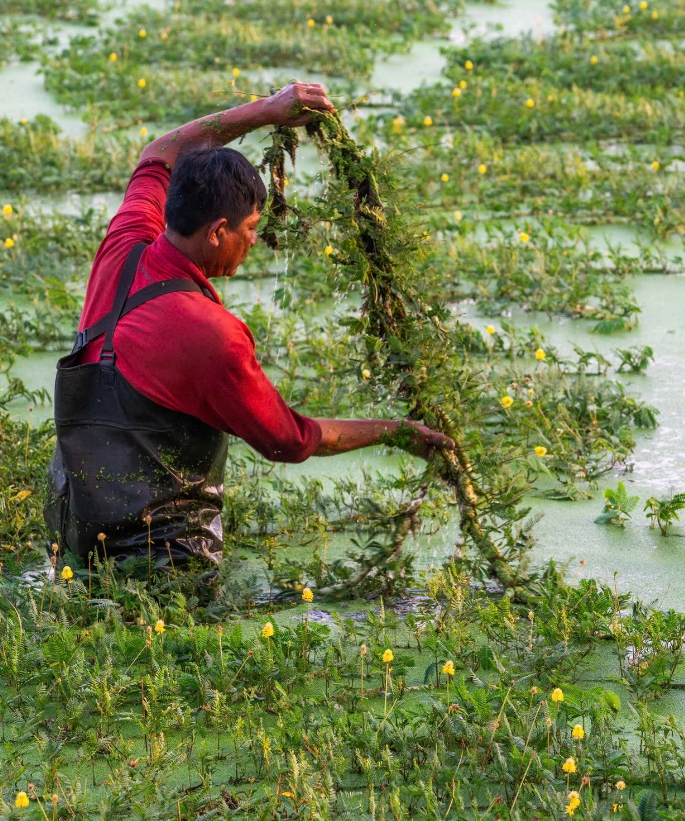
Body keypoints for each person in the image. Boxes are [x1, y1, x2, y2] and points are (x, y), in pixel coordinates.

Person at [46, 82, 452, 571]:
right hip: (162, 563)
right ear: (218, 231)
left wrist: (268, 111)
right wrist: (396, 432)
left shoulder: (126, 244)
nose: (256, 240)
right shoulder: (212, 335)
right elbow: (289, 439)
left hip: (73, 536)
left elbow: (159, 151)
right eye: (252, 228)